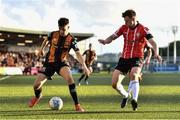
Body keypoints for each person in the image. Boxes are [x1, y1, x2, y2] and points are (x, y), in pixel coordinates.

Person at [98, 9, 162, 111]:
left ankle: (134, 100)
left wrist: (156, 54)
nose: (125, 23)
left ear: (133, 19)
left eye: (127, 21)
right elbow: (113, 37)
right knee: (114, 84)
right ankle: (126, 95)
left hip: (137, 58)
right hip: (124, 59)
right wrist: (105, 41)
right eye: (124, 21)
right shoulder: (124, 28)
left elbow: (154, 43)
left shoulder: (143, 29)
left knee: (134, 74)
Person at [28, 17, 90, 112]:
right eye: (60, 29)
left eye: (64, 29)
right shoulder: (53, 34)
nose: (61, 31)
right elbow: (46, 40)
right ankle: (38, 96)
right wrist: (41, 49)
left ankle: (77, 105)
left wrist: (84, 66)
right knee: (36, 85)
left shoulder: (72, 39)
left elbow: (78, 54)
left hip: (61, 63)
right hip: (49, 63)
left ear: (68, 27)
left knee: (70, 79)